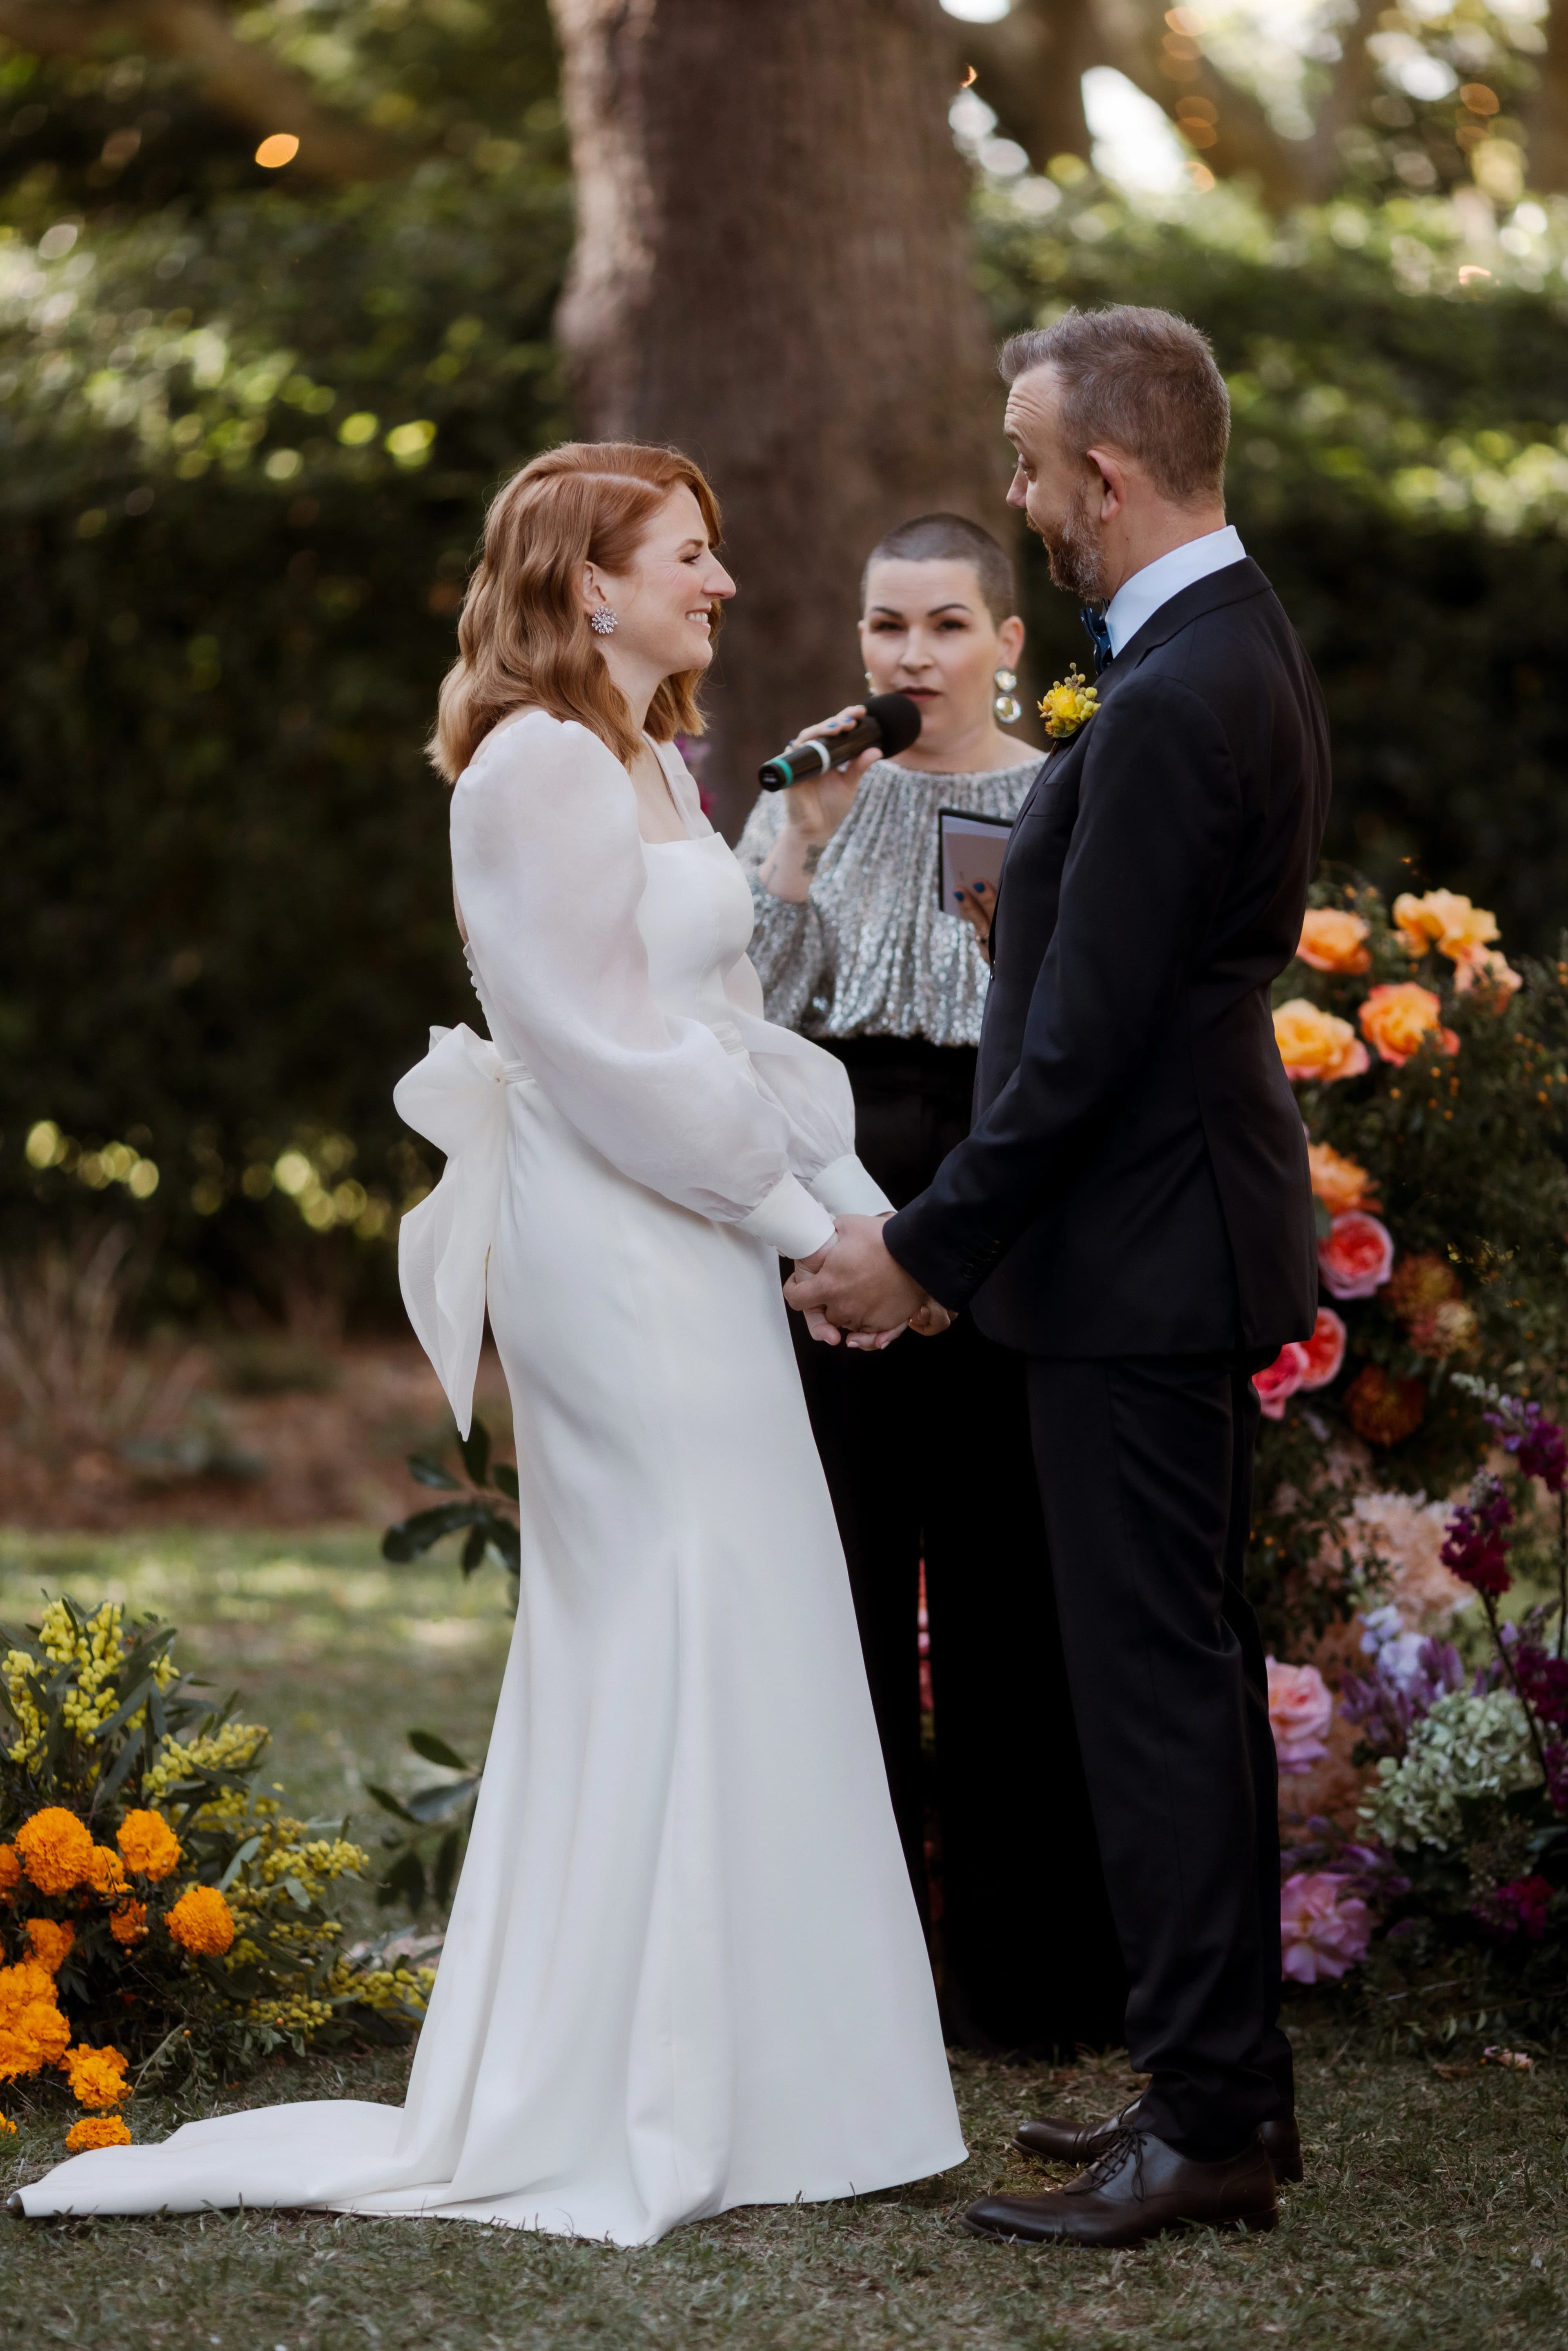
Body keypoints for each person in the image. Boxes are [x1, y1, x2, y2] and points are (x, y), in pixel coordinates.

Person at [13, 442, 964, 2241]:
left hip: (694, 1227)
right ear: (585, 582)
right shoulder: (533, 770)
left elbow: (737, 1032)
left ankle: (772, 2083)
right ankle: (626, 2086)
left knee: (746, 1589)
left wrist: (867, 1216)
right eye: (692, 554)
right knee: (669, 1597)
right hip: (615, 1243)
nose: (726, 583)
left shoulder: (646, 761)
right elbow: (609, 1061)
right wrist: (796, 1227)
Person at [788, 305, 1330, 2246]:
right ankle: (1210, 2099)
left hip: (1137, 1264)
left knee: (1158, 1694)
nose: (1019, 503)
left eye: (1027, 469)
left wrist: (921, 1256)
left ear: (1105, 472)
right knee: (1169, 1682)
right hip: (1156, 1247)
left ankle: (1209, 2125)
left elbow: (1086, 1045)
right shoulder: (1211, 649)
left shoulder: (1185, 689)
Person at [735, 514, 1125, 2055]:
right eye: (888, 626)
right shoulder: (823, 792)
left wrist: (954, 1249)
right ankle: (857, 1991)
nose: (913, 658)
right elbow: (746, 1021)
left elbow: (1079, 1040)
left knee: (1004, 1606)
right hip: (833, 1222)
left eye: (949, 626)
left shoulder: (1064, 796)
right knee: (836, 1602)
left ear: (1009, 643)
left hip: (1007, 1217)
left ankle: (1033, 1988)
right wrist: (801, 843)